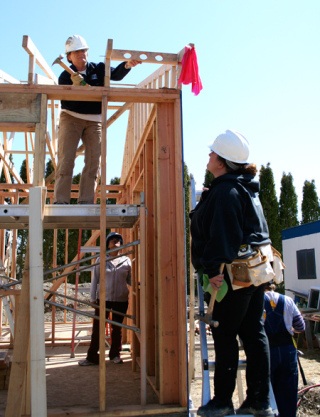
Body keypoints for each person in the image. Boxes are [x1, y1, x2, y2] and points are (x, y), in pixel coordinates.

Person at [190, 129, 275, 417]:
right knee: (253, 332)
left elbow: (224, 233)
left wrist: (213, 268)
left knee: (224, 332)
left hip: (233, 274)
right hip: (255, 271)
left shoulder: (226, 191)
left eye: (213, 153)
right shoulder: (243, 188)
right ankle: (259, 400)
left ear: (223, 161)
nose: (209, 155)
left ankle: (223, 400)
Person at [54, 34, 141, 204]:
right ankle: (61, 201)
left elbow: (115, 74)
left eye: (84, 50)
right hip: (71, 118)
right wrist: (74, 87)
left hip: (94, 120)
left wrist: (128, 64)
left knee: (94, 161)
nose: (81, 54)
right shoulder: (65, 76)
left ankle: (85, 201)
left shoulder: (99, 69)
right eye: (77, 52)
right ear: (69, 57)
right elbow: (63, 98)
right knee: (66, 160)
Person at [79, 232, 131, 365]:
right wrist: (92, 298)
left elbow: (129, 280)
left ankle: (115, 355)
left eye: (118, 240)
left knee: (117, 329)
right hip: (104, 298)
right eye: (113, 240)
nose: (116, 243)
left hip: (121, 299)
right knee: (98, 328)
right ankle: (92, 357)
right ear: (107, 244)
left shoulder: (126, 261)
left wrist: (139, 284)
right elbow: (95, 280)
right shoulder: (100, 260)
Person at [264, 282, 305, 417]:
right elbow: (300, 326)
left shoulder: (257, 301)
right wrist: (291, 330)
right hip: (287, 350)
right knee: (288, 391)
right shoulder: (287, 300)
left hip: (268, 351)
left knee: (268, 391)